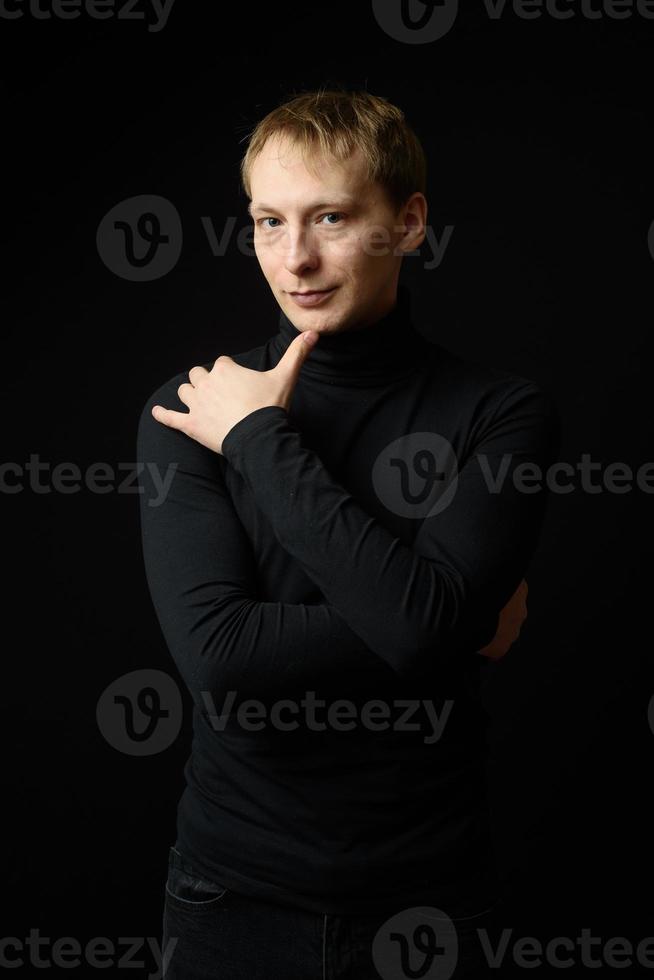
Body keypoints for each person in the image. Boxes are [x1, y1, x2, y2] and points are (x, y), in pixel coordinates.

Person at [137, 87, 561, 979]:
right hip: (231, 898)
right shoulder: (194, 406)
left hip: (429, 902)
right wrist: (445, 621)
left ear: (408, 224)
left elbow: (418, 631)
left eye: (331, 216)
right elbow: (221, 654)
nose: (296, 258)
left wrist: (260, 442)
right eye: (267, 221)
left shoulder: (499, 414)